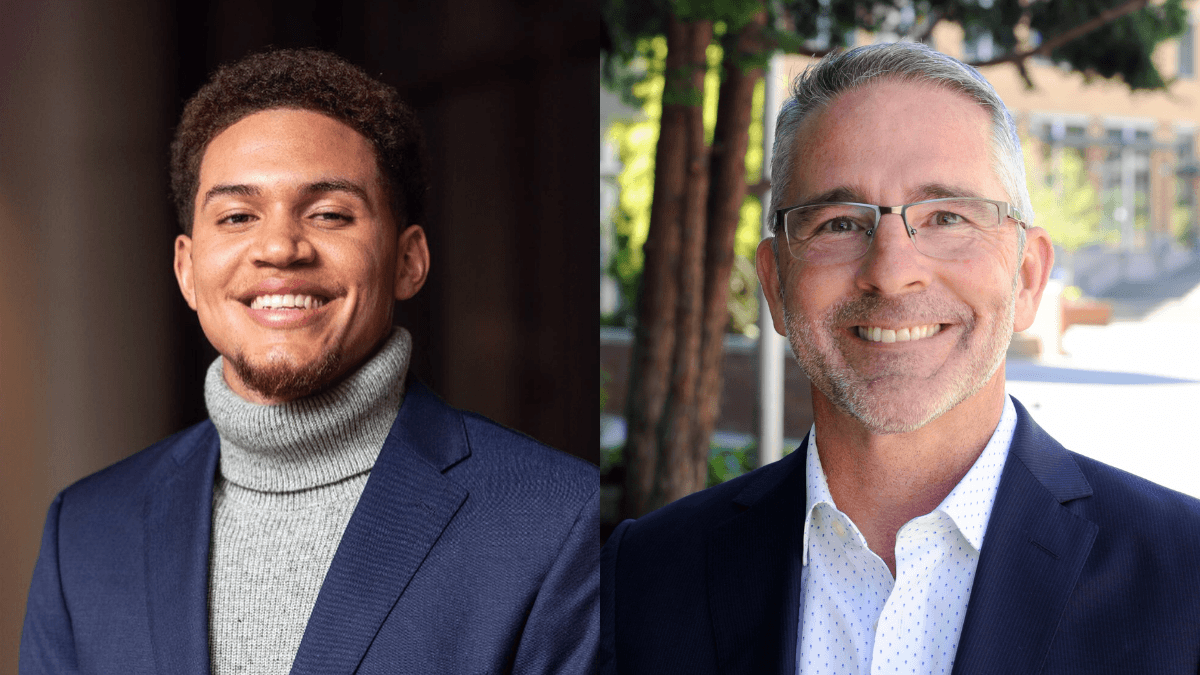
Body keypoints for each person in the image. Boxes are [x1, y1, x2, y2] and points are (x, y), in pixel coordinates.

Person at [601, 42, 1200, 674]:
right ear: (775, 285)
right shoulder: (645, 576)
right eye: (838, 222)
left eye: (945, 216)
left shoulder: (1186, 574)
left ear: (1027, 276)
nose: (891, 273)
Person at [21, 48, 597, 675]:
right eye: (238, 216)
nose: (278, 247)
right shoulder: (83, 533)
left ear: (409, 260)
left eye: (328, 214)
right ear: (187, 270)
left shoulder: (558, 522)